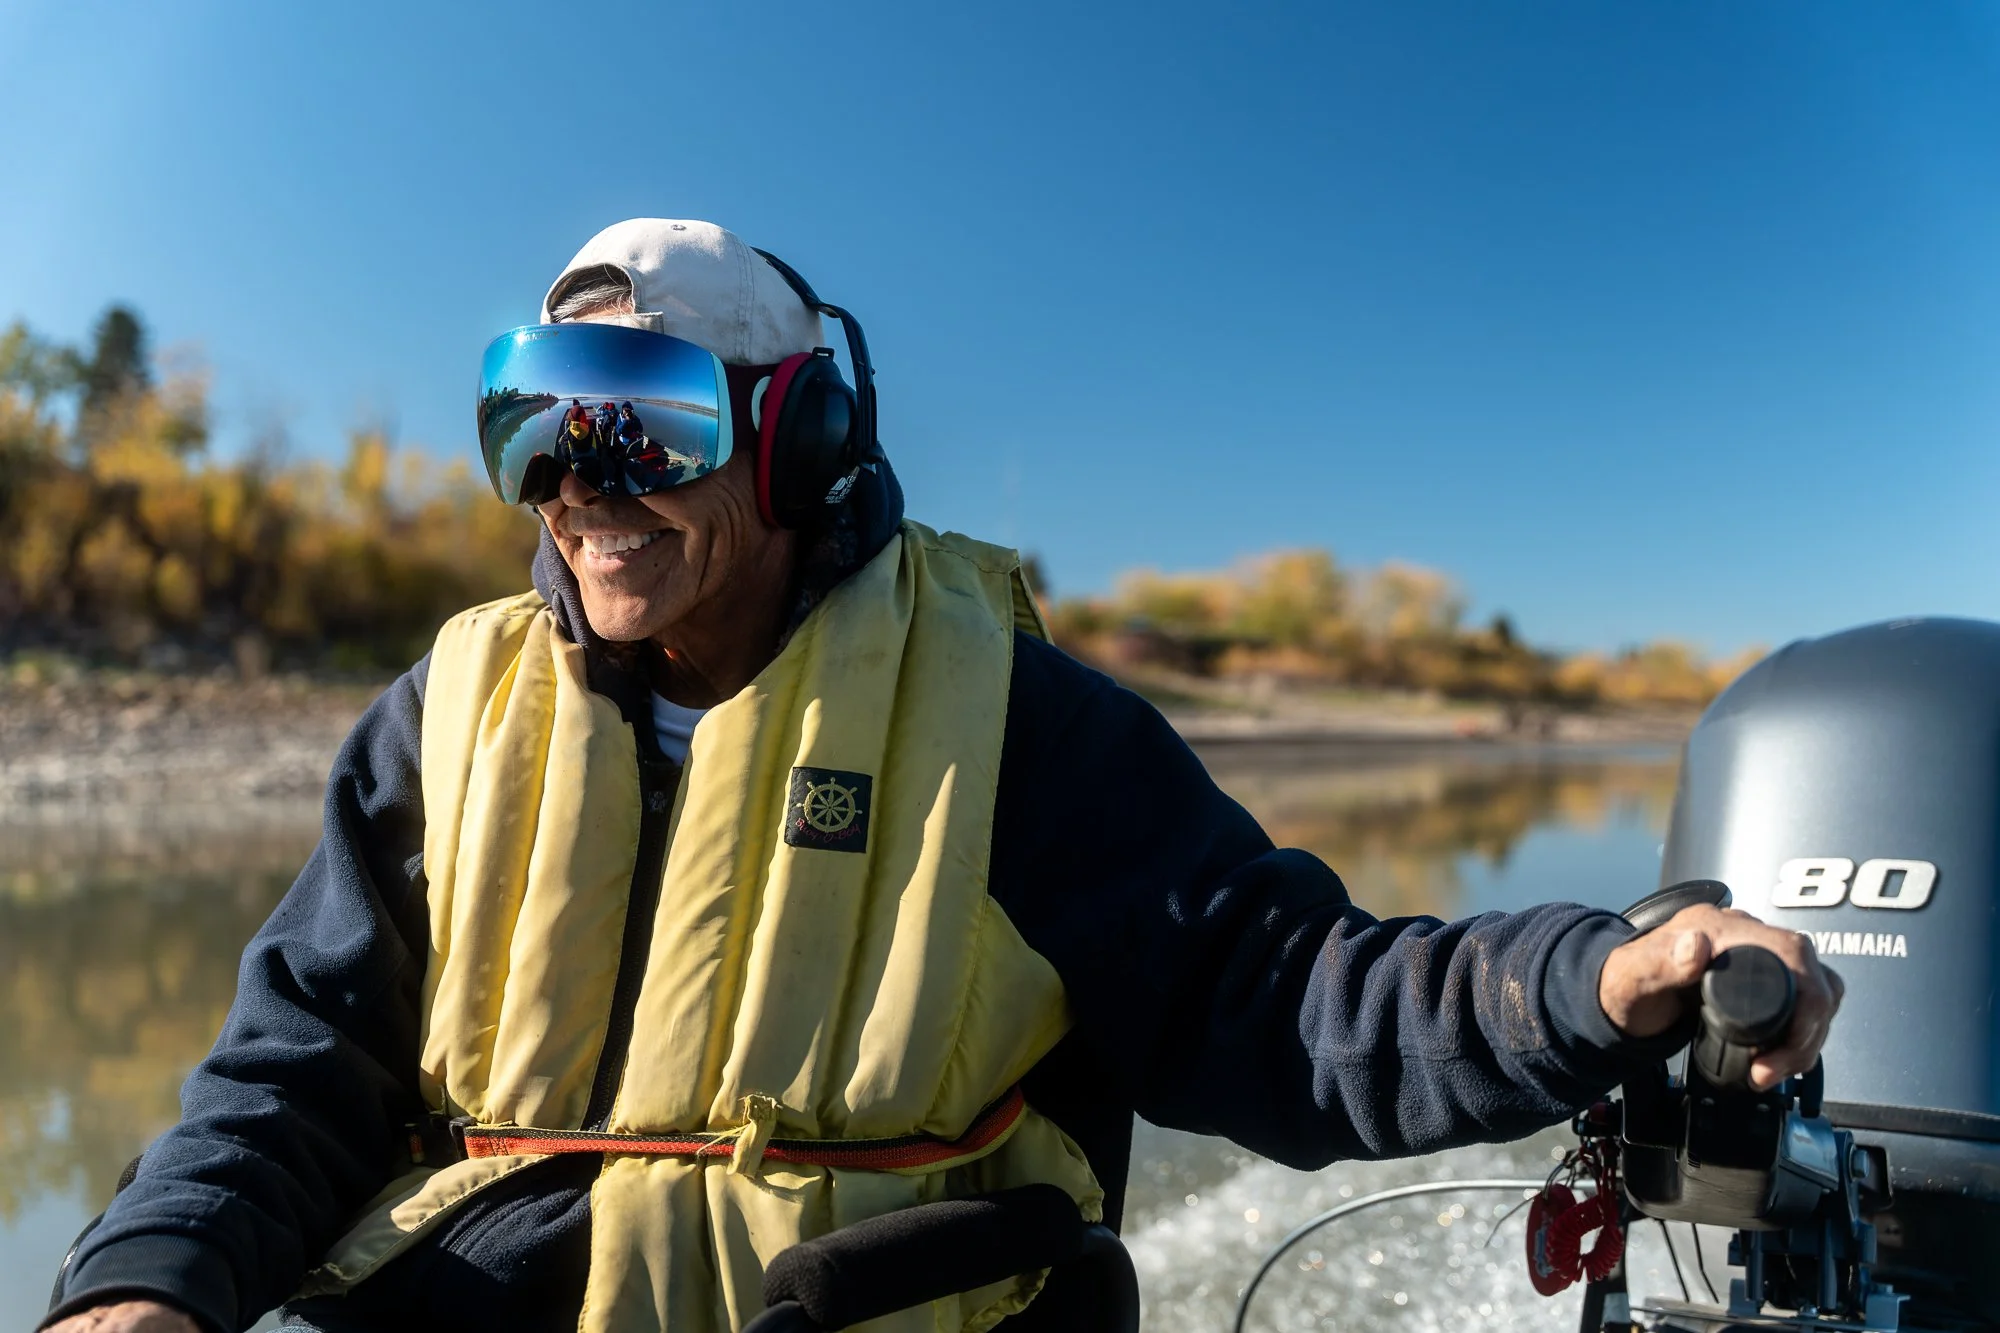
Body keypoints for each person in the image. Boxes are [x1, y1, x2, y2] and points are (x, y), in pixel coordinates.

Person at [44, 219, 1842, 1333]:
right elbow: (294, 1075)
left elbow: (1287, 1002)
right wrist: (139, 1286)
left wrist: (1592, 978)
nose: (579, 485)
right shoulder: (436, 720)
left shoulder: (1022, 726)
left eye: (642, 427)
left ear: (799, 436)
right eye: (535, 425)